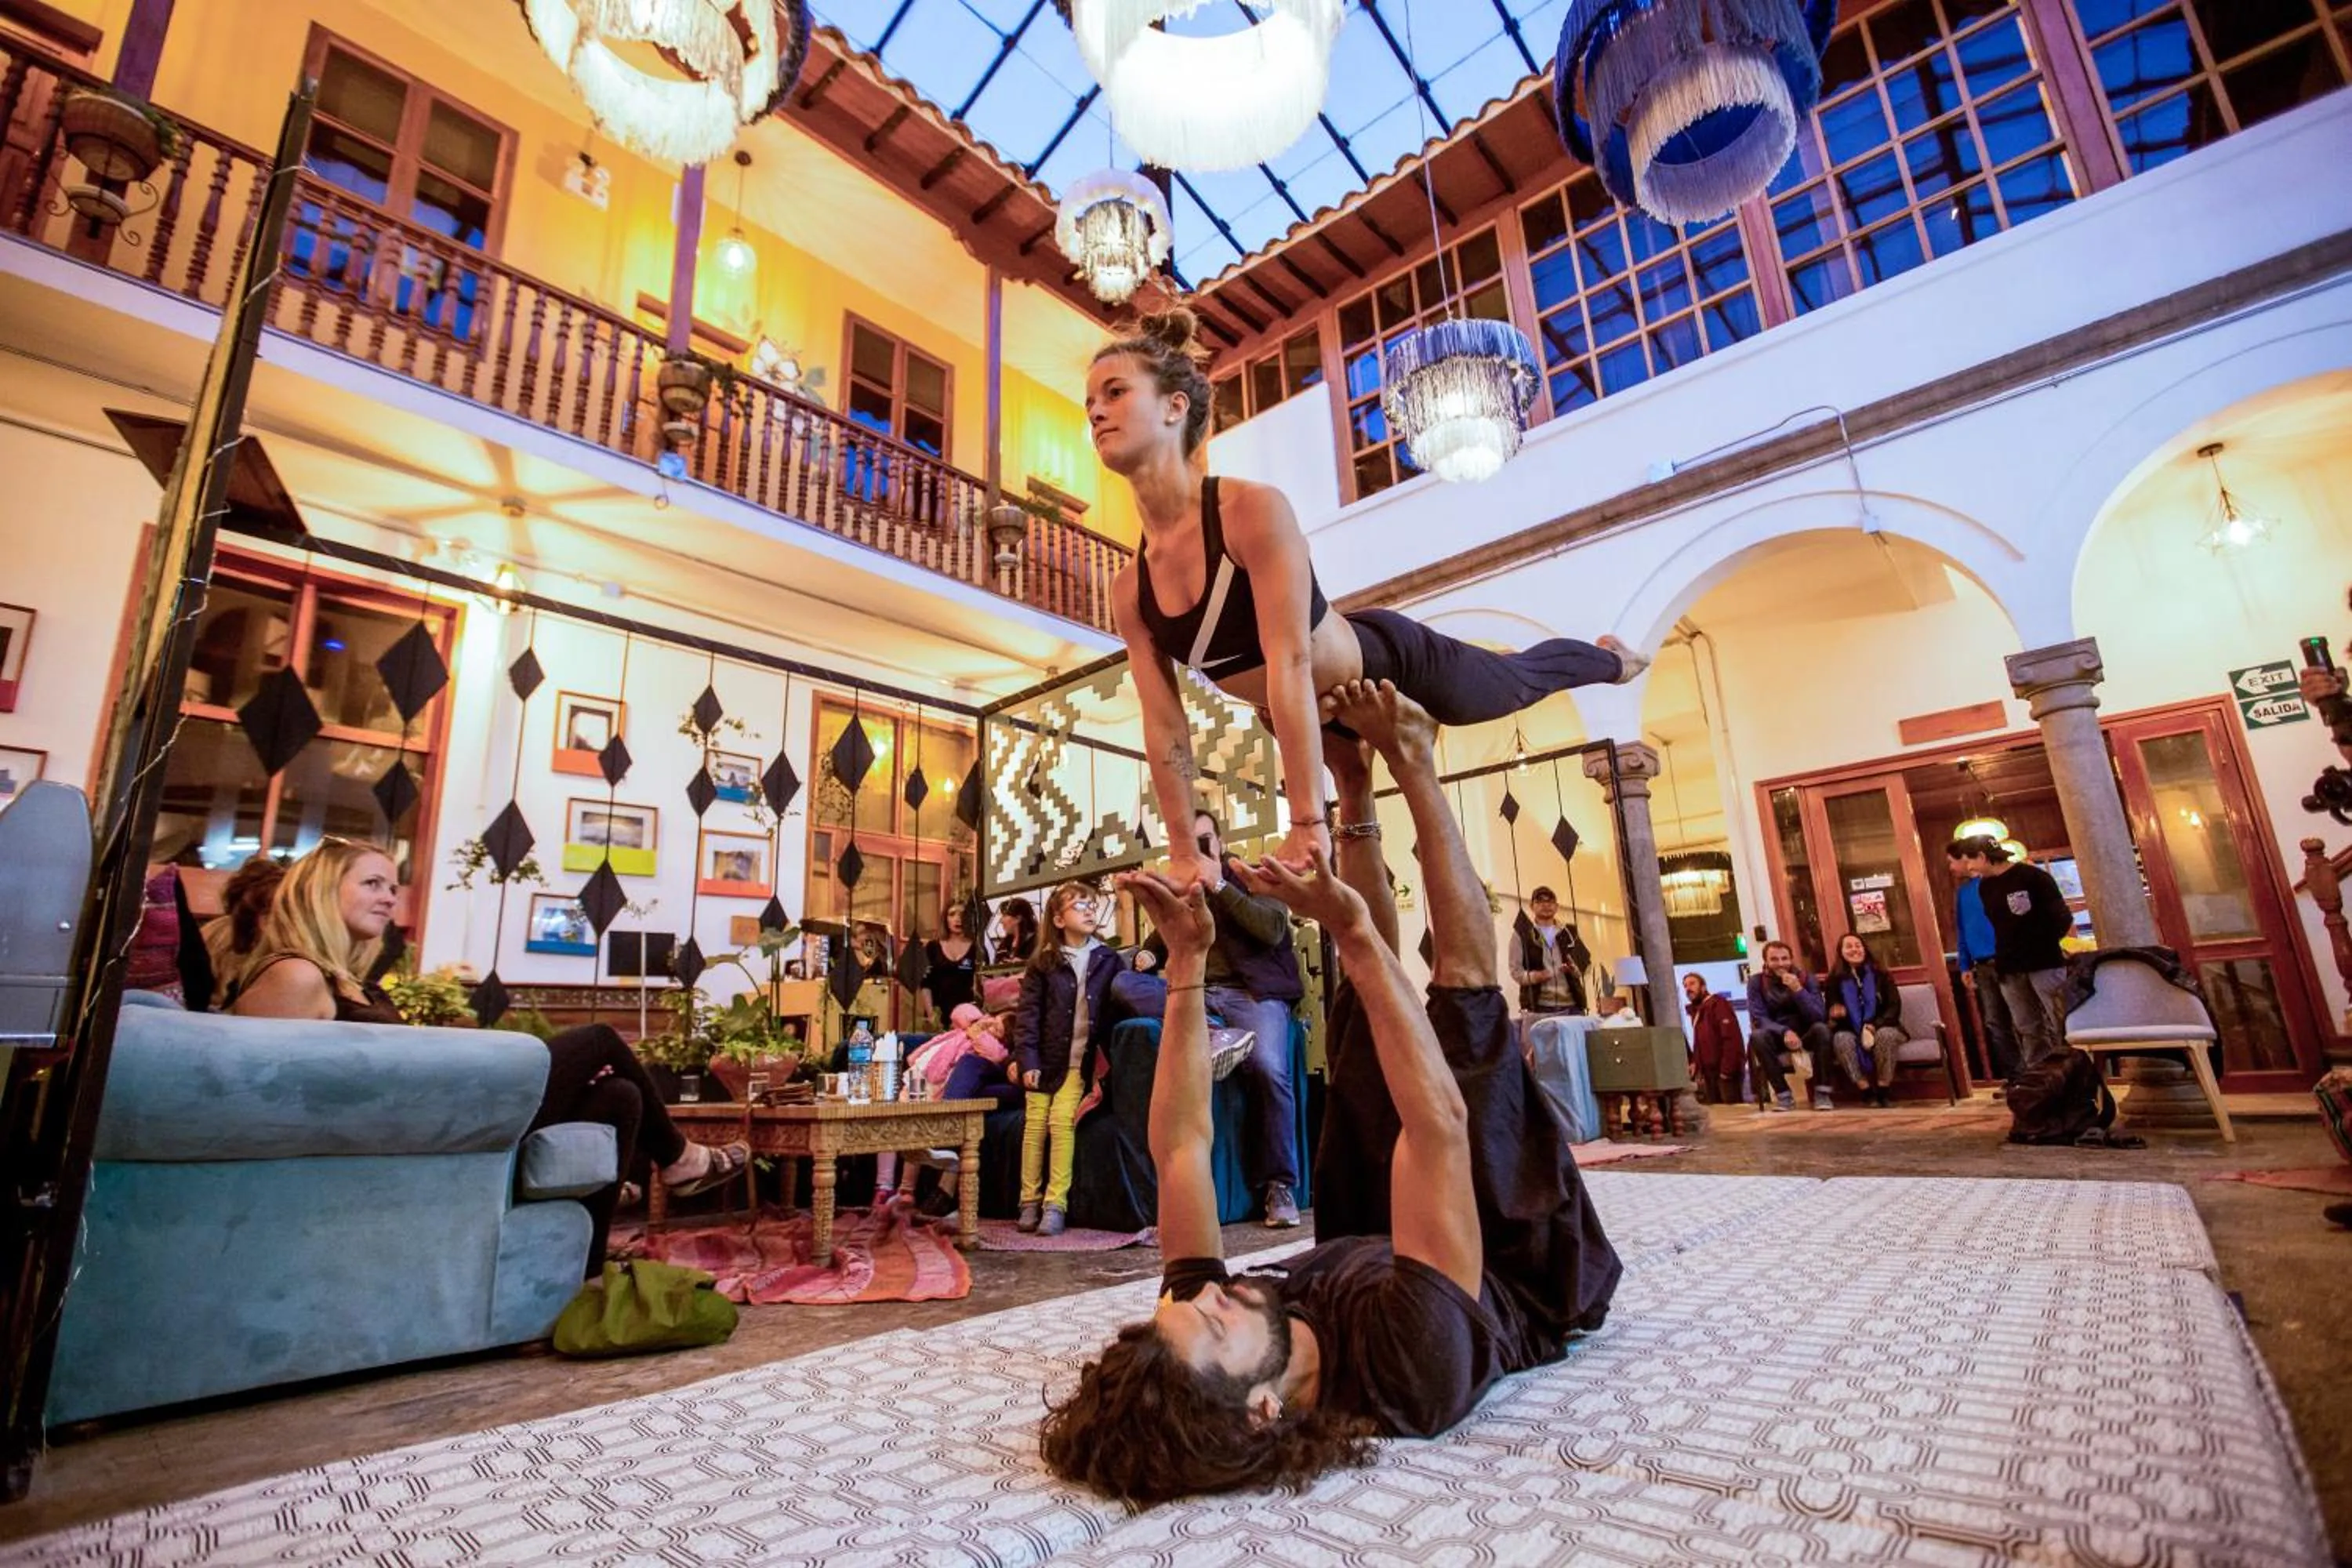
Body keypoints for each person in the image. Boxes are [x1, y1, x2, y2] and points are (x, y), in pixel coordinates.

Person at [1039, 680, 1620, 1507]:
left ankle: (1352, 779)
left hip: (1376, 1235)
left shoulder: (1203, 1327)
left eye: (1192, 1300)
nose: (1211, 1291)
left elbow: (1180, 1147)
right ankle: (1413, 761)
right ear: (1262, 1412)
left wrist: (1187, 962)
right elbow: (1440, 1124)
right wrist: (1349, 930)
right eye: (1213, 1319)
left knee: (1358, 1002)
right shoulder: (1411, 1370)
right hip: (1510, 1248)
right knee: (1463, 1001)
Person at [1091, 308, 1646, 890]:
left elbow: (1292, 659)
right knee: (1356, 849)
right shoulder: (1130, 587)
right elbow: (1165, 724)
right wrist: (1184, 851)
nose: (1097, 411)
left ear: (1174, 407)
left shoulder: (1249, 511)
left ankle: (1610, 659)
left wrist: (1308, 819)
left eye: (1116, 392)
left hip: (1384, 662)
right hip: (1302, 716)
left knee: (1512, 682)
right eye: (1090, 404)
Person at [232, 838, 746, 1273]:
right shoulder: (293, 975)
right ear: (321, 892)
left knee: (621, 1095)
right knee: (597, 1041)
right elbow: (264, 1104)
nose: (390, 898)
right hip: (412, 1142)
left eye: (392, 886)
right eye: (372, 884)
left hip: (426, 1127)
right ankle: (680, 1159)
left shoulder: (359, 986)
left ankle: (580, 1279)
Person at [1141, 808, 1308, 1229]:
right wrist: (1146, 955)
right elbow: (1159, 942)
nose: (1197, 852)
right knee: (1125, 986)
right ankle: (1216, 1035)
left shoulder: (1250, 876)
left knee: (1270, 1068)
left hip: (1251, 995)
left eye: (1204, 842)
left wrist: (1218, 884)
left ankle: (1278, 1185)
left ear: (1220, 841)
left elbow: (1270, 929)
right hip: (1197, 997)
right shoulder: (1183, 888)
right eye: (1188, 845)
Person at [1011, 881, 1125, 1236]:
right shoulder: (1043, 963)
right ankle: (1028, 1201)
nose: (1089, 911)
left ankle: (1055, 1204)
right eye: (1079, 906)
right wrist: (1027, 1061)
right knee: (1034, 1128)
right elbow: (1028, 1018)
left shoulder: (1108, 959)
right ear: (1059, 920)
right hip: (1046, 1061)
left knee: (1062, 1124)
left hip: (1080, 1063)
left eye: (1092, 906)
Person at [1948, 836, 2073, 1071]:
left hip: (2044, 962)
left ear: (1983, 857)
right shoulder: (1986, 886)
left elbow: (2062, 918)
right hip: (2009, 967)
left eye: (1970, 862)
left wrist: (2041, 944)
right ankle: (2041, 1078)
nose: (1968, 868)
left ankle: (2074, 1073)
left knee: (2062, 1020)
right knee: (2027, 1026)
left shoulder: (2034, 877)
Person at [1951, 851, 2019, 1083]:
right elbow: (1962, 930)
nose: (1951, 867)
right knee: (1995, 1022)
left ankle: (2039, 1076)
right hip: (1982, 965)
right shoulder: (1963, 893)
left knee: (2024, 1018)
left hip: (2009, 960)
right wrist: (1964, 965)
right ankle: (2016, 1078)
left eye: (1952, 861)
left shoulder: (1996, 884)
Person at [1746, 940, 1835, 1112]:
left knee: (1822, 1030)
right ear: (1766, 961)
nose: (1780, 964)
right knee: (1757, 1036)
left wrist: (1799, 990)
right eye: (1774, 959)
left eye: (1784, 959)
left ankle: (1823, 1094)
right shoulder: (1756, 982)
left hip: (1806, 1033)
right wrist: (1784, 1031)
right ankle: (1784, 1096)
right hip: (1777, 1036)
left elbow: (1818, 1016)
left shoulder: (1806, 979)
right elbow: (1759, 1017)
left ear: (1791, 959)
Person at [1824, 931, 1907, 1108]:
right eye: (1849, 946)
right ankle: (1866, 1091)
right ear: (1841, 952)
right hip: (1851, 1029)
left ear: (1865, 949)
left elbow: (1894, 1008)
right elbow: (1832, 1011)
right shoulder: (1833, 980)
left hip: (1885, 1025)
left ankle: (1884, 1090)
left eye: (1858, 945)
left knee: (1885, 1036)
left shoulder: (1881, 975)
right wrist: (1835, 1013)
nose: (1854, 950)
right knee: (1841, 1039)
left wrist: (1873, 1026)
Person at [1508, 885, 1590, 1019]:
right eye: (1540, 901)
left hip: (1572, 1007)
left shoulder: (1569, 932)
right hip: (1538, 1008)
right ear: (1531, 906)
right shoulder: (1522, 934)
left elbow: (1585, 967)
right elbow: (1516, 972)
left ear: (1557, 906)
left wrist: (1574, 970)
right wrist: (1536, 976)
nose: (1546, 905)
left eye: (1550, 901)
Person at [1682, 971, 1744, 1105]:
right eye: (1685, 986)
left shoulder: (1718, 1004)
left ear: (1703, 987)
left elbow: (1731, 1038)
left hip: (1725, 1072)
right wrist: (1695, 1063)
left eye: (1692, 984)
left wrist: (1727, 1070)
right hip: (1708, 1073)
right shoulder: (1697, 1011)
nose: (1688, 988)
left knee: (1732, 1113)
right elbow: (1700, 1042)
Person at [920, 899, 978, 1024]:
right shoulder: (932, 947)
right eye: (952, 914)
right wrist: (931, 1015)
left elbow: (982, 985)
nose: (958, 919)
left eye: (962, 915)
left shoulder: (976, 949)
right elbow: (925, 985)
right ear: (945, 919)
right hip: (937, 1017)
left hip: (966, 1018)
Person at [990, 897, 1038, 967]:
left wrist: (1024, 964)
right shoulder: (1003, 946)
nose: (1001, 921)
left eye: (1004, 916)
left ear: (1018, 918)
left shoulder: (1038, 942)